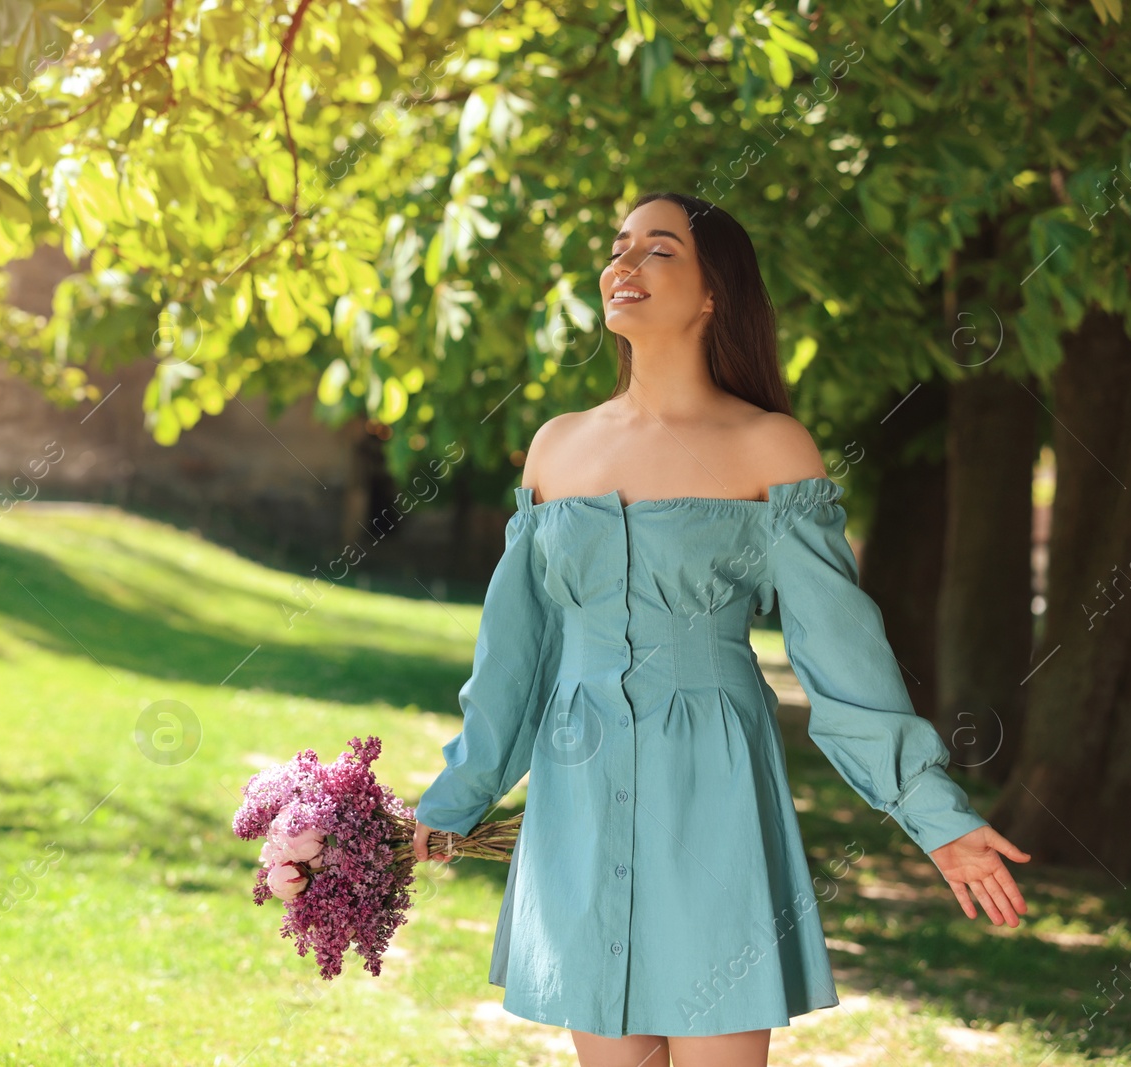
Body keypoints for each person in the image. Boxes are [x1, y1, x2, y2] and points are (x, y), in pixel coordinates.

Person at [410, 192, 1030, 1067]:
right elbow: (517, 657)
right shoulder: (556, 446)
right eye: (617, 247)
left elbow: (842, 657)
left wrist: (935, 814)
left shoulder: (772, 447)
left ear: (713, 296)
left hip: (716, 789)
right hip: (575, 794)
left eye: (657, 251)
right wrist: (450, 802)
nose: (622, 267)